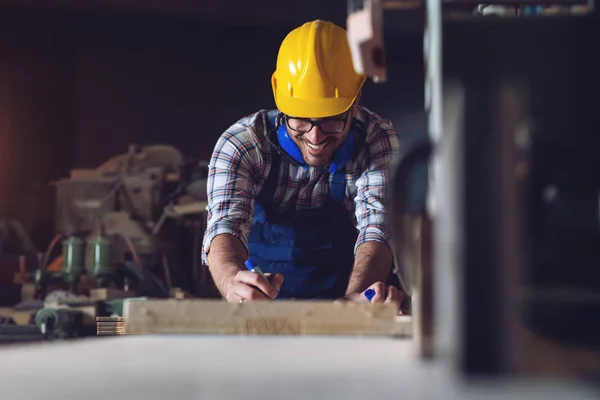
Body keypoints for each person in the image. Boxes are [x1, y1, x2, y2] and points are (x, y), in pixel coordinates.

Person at [201, 19, 405, 310]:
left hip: (342, 302)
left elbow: (378, 225)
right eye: (300, 119)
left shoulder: (376, 139)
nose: (315, 136)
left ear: (355, 102)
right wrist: (233, 279)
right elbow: (225, 225)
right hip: (257, 308)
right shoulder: (243, 143)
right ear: (280, 101)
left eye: (332, 120)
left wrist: (356, 303)